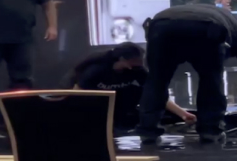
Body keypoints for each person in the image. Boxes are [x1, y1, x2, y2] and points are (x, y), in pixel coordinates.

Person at [136, 3, 237, 144]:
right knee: (210, 80)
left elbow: (151, 70)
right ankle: (210, 131)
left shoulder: (216, 17)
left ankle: (148, 131)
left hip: (162, 25)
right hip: (206, 28)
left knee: (156, 81)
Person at [68, 43, 196, 130]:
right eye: (137, 59)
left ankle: (129, 121)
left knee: (140, 91)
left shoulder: (137, 70)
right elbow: (77, 94)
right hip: (94, 103)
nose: (140, 62)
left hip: (117, 104)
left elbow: (157, 94)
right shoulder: (97, 69)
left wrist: (183, 114)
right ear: (123, 59)